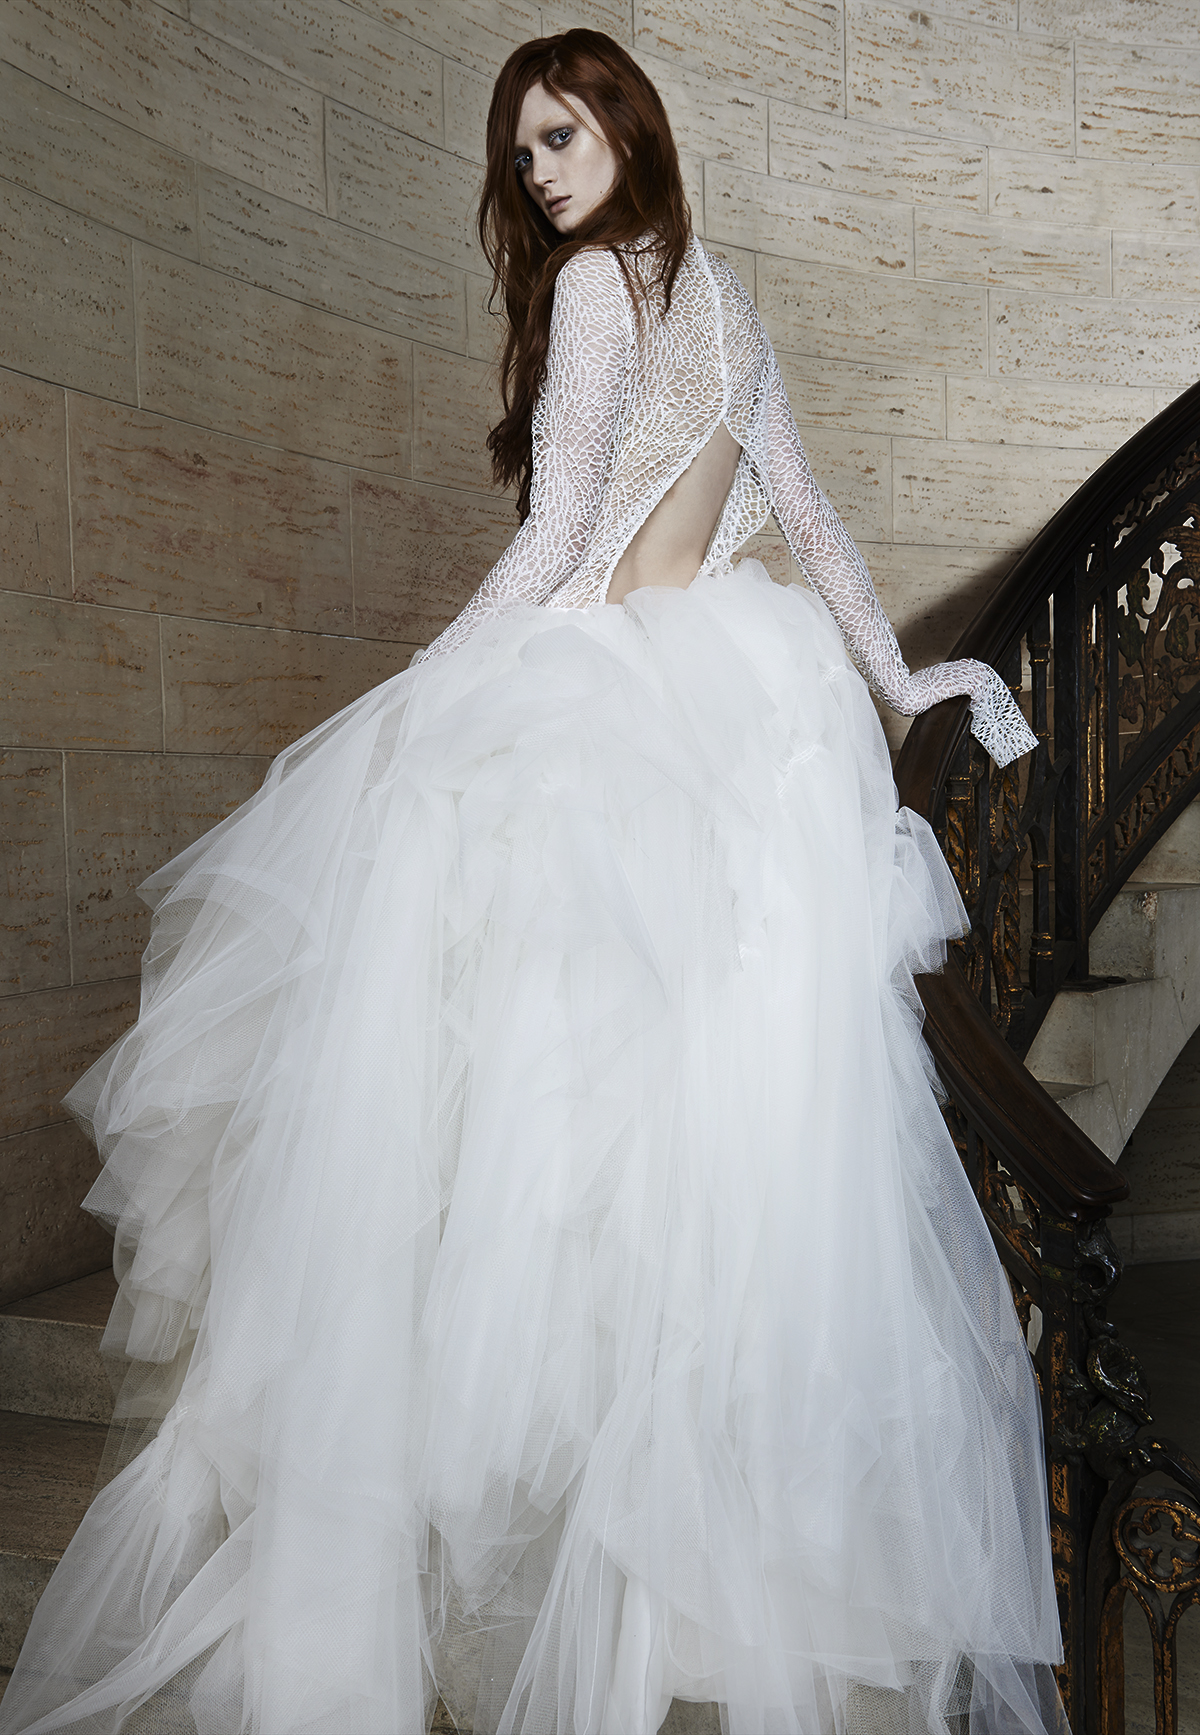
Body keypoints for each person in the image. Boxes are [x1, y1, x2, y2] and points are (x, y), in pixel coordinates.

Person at [0, 28, 1064, 1735]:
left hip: (607, 710)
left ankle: (530, 1527)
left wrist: (416, 699)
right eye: (523, 153)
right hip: (745, 710)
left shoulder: (590, 290)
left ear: (629, 127)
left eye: (563, 136)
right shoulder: (725, 298)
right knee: (709, 1146)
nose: (542, 174)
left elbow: (564, 543)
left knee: (530, 1129)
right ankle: (693, 1568)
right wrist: (897, 679)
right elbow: (808, 518)